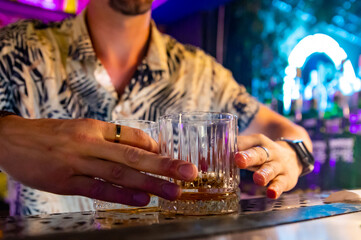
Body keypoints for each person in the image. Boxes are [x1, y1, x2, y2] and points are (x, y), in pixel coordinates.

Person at [0, 0, 312, 216]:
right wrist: (6, 134)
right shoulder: (19, 49)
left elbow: (290, 133)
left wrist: (293, 155)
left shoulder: (201, 72)